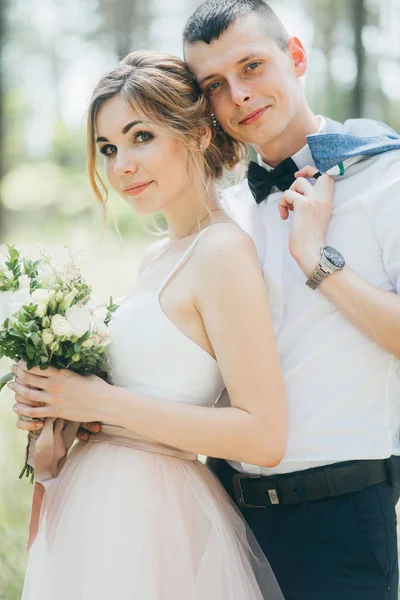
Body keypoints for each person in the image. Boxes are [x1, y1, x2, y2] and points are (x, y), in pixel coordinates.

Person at [8, 49, 311, 599]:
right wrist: (55, 400)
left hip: (155, 519)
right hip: (93, 508)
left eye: (140, 136)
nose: (121, 164)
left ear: (196, 133)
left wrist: (95, 402)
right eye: (107, 148)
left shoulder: (222, 252)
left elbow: (263, 435)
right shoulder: (157, 257)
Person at [179, 1, 400, 599]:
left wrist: (317, 262)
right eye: (216, 86)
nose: (240, 95)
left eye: (253, 66)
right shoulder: (223, 214)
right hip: (224, 513)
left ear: (295, 57)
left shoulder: (387, 178)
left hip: (340, 520)